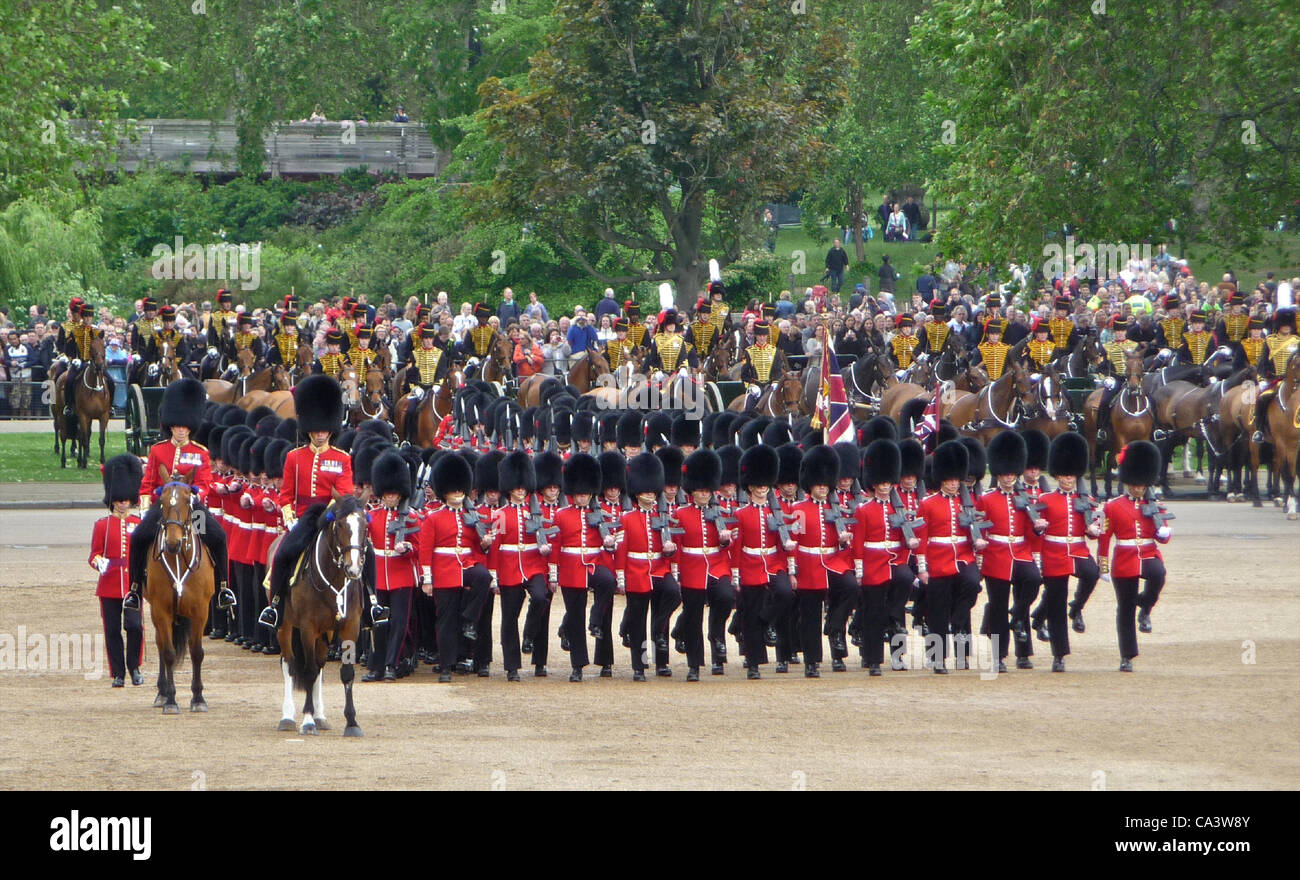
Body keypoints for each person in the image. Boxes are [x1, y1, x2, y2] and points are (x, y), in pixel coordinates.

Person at [259, 375, 385, 629]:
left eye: (324, 429)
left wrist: (331, 514)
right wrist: (289, 517)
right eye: (316, 430)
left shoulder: (341, 458)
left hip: (331, 518)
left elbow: (345, 493)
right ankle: (275, 605)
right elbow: (286, 494)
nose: (319, 434)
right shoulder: (295, 457)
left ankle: (372, 603)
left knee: (366, 552)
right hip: (303, 518)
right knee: (282, 555)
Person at [124, 379, 233, 613]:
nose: (181, 430)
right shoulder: (158, 450)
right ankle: (134, 589)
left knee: (218, 536)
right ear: (170, 426)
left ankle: (223, 587)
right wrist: (145, 506)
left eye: (185, 426)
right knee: (139, 538)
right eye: (177, 426)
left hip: (191, 509)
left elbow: (206, 483)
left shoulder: (200, 452)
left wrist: (194, 496)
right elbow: (148, 483)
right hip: (162, 508)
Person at [1097, 441, 1172, 671]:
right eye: (1135, 485)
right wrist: (1103, 566)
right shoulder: (1112, 507)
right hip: (1125, 559)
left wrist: (1164, 532)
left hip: (1149, 554)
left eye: (1142, 485)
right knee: (1125, 608)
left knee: (1158, 575)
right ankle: (1126, 656)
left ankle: (1146, 609)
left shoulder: (1155, 506)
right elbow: (1104, 536)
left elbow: (1163, 537)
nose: (1138, 489)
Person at [977, 431, 1046, 672]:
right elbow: (980, 530)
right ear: (997, 474)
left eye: (1012, 474)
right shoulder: (986, 499)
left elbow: (1030, 530)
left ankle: (1021, 638)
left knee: (1033, 581)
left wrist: (1038, 529)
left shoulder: (1024, 498)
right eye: (1004, 474)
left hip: (1021, 551)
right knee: (997, 606)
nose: (1008, 478)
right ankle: (999, 656)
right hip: (996, 554)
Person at [787, 445, 857, 677]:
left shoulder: (836, 508)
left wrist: (845, 540)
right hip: (808, 564)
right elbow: (794, 540)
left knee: (850, 588)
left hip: (833, 561)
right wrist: (792, 570)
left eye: (826, 485)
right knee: (810, 615)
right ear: (810, 485)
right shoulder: (799, 509)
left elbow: (843, 541)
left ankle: (835, 629)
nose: (822, 489)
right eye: (819, 485)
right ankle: (812, 661)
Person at [914, 440, 983, 673]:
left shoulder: (969, 502)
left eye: (957, 480)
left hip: (964, 556)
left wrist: (979, 540)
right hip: (938, 560)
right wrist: (922, 567)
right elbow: (922, 538)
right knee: (937, 612)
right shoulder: (928, 504)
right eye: (950, 480)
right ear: (942, 479)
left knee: (972, 585)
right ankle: (937, 658)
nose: (954, 484)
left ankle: (963, 653)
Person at [852, 440, 918, 676]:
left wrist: (911, 540)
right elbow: (858, 542)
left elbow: (908, 536)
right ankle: (872, 660)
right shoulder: (864, 509)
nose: (884, 487)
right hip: (872, 562)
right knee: (873, 611)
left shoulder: (897, 508)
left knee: (904, 583)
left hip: (895, 560)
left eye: (888, 483)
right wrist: (859, 569)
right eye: (880, 483)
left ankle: (898, 656)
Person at [614, 453, 681, 681]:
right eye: (646, 492)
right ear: (637, 493)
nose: (650, 495)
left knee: (673, 594)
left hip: (660, 568)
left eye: (653, 491)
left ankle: (662, 660)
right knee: (637, 621)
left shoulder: (663, 515)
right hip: (636, 571)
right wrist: (621, 578)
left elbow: (671, 547)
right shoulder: (627, 518)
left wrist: (672, 553)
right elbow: (622, 550)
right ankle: (640, 666)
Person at [672, 450, 735, 680]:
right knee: (693, 616)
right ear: (692, 491)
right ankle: (694, 665)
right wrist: (676, 572)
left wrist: (726, 540)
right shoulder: (680, 513)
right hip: (691, 567)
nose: (703, 495)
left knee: (727, 597)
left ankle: (717, 639)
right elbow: (677, 545)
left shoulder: (721, 512)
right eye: (700, 491)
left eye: (707, 491)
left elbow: (730, 545)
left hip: (717, 565)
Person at [491, 451, 554, 682]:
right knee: (509, 617)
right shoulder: (501, 514)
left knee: (540, 598)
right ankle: (512, 667)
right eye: (516, 487)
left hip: (533, 564)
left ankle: (529, 633)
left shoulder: (536, 512)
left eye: (522, 487)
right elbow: (496, 546)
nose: (520, 490)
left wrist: (546, 548)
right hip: (508, 568)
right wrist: (493, 576)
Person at [362, 451, 419, 683]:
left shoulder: (412, 516)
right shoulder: (371, 516)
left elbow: (419, 546)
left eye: (395, 494)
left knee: (398, 623)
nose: (391, 498)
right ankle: (376, 665)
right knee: (379, 623)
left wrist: (408, 548)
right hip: (378, 575)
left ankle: (391, 665)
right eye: (388, 494)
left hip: (402, 575)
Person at [91, 455, 145, 688]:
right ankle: (118, 672)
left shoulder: (138, 522)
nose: (124, 504)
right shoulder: (102, 524)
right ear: (113, 500)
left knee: (134, 626)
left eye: (127, 500)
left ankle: (134, 667)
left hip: (132, 584)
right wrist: (99, 563)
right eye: (120, 500)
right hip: (109, 584)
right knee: (112, 631)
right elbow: (94, 554)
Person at [1252, 308, 1297, 443]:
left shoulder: (1297, 341)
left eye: (1288, 325)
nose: (1286, 328)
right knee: (1262, 398)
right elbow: (1263, 362)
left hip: (1295, 380)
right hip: (1274, 378)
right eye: (1284, 325)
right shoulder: (1270, 340)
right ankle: (1259, 430)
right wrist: (1261, 378)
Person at [738, 320, 788, 411]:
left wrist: (776, 382)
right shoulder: (748, 351)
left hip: (770, 386)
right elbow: (744, 374)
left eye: (764, 336)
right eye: (760, 336)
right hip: (755, 386)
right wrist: (751, 385)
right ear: (756, 336)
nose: (762, 338)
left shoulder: (774, 351)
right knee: (748, 408)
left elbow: (778, 369)